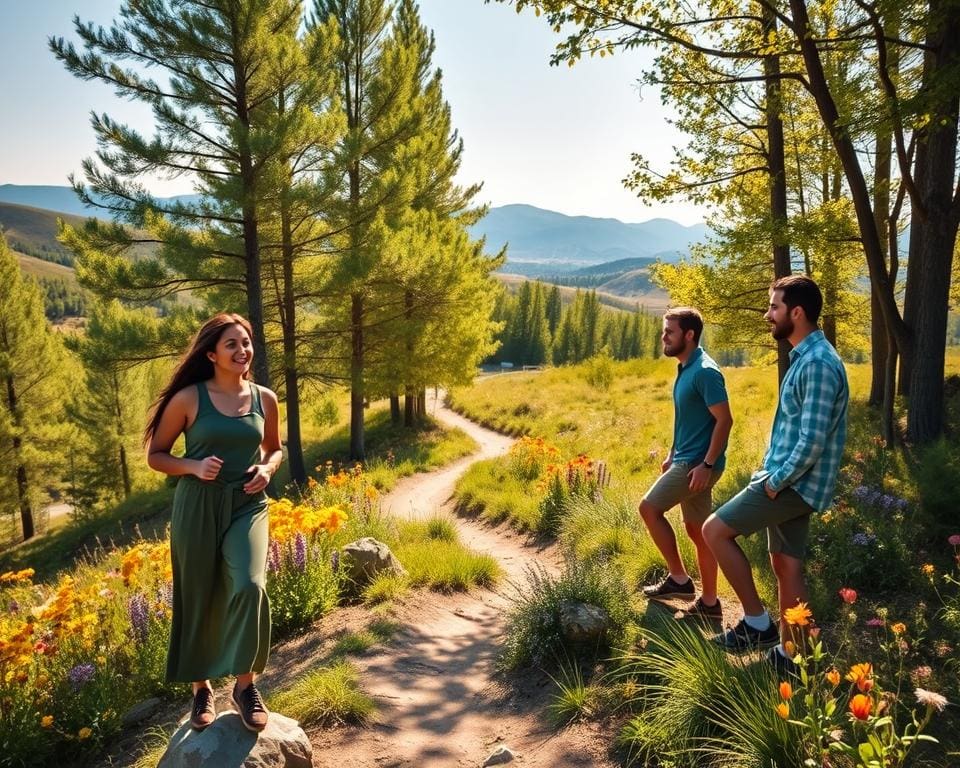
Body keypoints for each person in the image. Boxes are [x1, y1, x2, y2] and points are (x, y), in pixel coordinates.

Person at [702, 276, 848, 675]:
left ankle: (757, 624)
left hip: (792, 483)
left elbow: (812, 440)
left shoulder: (817, 364)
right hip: (789, 478)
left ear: (796, 313)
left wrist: (773, 481)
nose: (768, 315)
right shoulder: (807, 355)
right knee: (785, 563)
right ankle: (794, 657)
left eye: (774, 307)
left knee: (714, 530)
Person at [145, 313, 282, 732]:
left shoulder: (265, 398)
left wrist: (268, 470)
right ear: (211, 354)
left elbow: (275, 449)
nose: (243, 351)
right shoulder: (189, 399)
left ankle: (244, 685)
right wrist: (192, 465)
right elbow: (157, 456)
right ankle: (201, 688)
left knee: (250, 584)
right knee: (199, 591)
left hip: (247, 504)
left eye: (246, 342)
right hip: (198, 506)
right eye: (232, 345)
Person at [639, 307, 733, 620]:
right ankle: (709, 603)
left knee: (649, 509)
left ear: (689, 335)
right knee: (697, 531)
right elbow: (688, 420)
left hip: (697, 465)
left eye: (670, 331)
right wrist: (671, 452)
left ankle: (679, 580)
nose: (663, 337)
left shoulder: (705, 371)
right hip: (687, 460)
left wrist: (706, 464)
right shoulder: (686, 367)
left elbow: (724, 420)